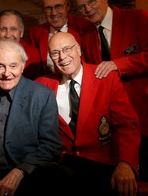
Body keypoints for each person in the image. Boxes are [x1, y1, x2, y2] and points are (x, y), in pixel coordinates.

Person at [0, 39, 72, 196]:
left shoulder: (42, 95)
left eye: (13, 66)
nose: (6, 73)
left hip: (25, 171)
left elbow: (51, 147)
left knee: (56, 177)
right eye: (0, 65)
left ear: (23, 66)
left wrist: (21, 170)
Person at [36, 32, 141, 196]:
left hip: (102, 167)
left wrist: (126, 163)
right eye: (55, 53)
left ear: (78, 49)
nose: (62, 57)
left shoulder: (106, 79)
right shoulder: (42, 85)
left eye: (67, 49)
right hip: (62, 169)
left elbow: (126, 125)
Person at [74, 0, 148, 182]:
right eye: (82, 7)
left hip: (143, 114)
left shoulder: (137, 18)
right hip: (113, 123)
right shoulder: (87, 36)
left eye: (91, 2)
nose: (88, 9)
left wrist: (119, 64)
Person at [29, 0, 93, 74]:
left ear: (67, 6)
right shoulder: (36, 32)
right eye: (48, 8)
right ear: (43, 10)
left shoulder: (84, 26)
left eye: (58, 6)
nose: (54, 13)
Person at [0, 9, 43, 80]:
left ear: (21, 32)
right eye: (3, 29)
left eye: (13, 29)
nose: (8, 35)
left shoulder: (34, 54)